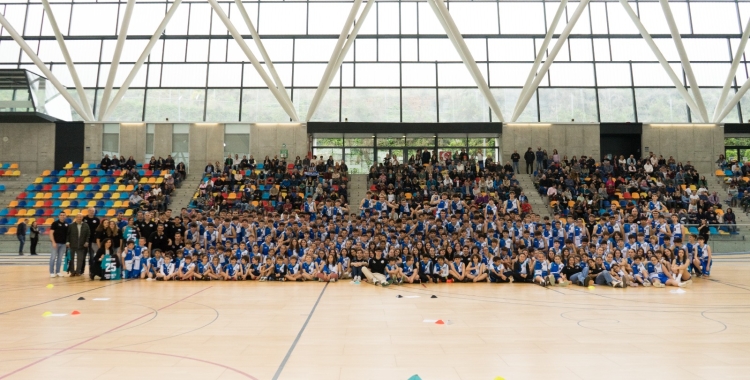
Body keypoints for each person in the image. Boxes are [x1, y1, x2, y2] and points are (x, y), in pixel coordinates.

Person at [49, 212, 69, 278]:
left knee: (60, 258)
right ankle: (51, 272)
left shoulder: (67, 224)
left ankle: (58, 271)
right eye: (61, 215)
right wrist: (53, 242)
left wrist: (67, 242)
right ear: (59, 216)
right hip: (56, 243)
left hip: (63, 244)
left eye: (64, 215)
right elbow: (51, 233)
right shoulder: (55, 223)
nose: (62, 216)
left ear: (65, 216)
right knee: (53, 257)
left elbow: (68, 235)